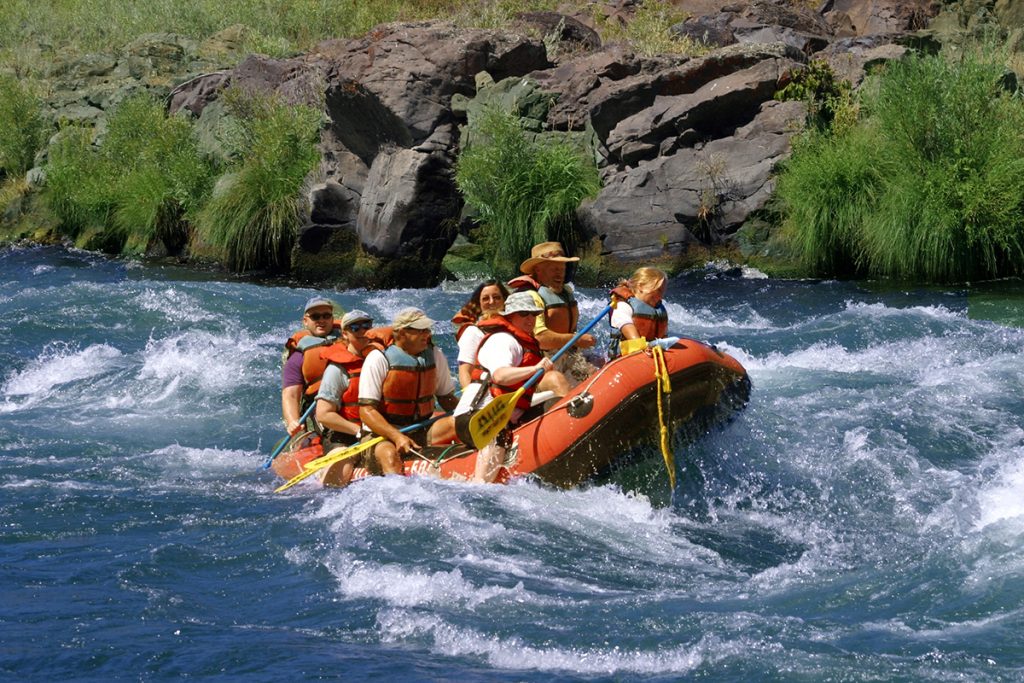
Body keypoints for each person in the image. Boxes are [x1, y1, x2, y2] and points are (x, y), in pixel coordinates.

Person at [454, 292, 555, 483]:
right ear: (510, 316)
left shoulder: (523, 343)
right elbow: (500, 375)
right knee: (496, 433)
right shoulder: (504, 341)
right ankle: (480, 485)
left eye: (533, 314)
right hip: (474, 418)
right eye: (524, 314)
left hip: (504, 415)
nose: (530, 319)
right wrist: (535, 368)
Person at [358, 307, 459, 475]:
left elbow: (446, 398)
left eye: (427, 329)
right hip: (382, 435)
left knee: (459, 424)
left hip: (422, 428)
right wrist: (397, 436)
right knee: (390, 456)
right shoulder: (378, 358)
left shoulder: (435, 354)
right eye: (420, 330)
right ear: (402, 333)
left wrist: (468, 418)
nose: (427, 334)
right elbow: (366, 411)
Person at [508, 241, 596, 386]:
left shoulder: (567, 292)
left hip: (570, 355)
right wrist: (576, 339)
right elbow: (541, 339)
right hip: (544, 362)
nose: (559, 273)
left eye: (562, 267)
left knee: (597, 368)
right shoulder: (532, 297)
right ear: (538, 270)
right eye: (553, 268)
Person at [312, 309, 381, 487]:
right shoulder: (337, 370)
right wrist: (358, 431)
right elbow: (324, 414)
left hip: (379, 429)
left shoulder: (380, 360)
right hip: (344, 436)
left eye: (366, 325)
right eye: (355, 327)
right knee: (342, 464)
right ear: (345, 333)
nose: (362, 331)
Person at [281, 296, 341, 435]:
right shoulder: (298, 356)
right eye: (315, 316)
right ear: (306, 321)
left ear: (332, 319)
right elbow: (290, 395)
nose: (321, 320)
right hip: (321, 407)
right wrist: (292, 423)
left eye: (326, 315)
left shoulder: (350, 339)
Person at [452, 280, 509, 389]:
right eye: (485, 298)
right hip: (485, 394)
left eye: (497, 297)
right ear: (479, 304)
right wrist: (470, 399)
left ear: (504, 300)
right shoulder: (473, 332)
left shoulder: (514, 328)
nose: (492, 302)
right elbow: (465, 372)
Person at [608, 267, 670, 359]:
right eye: (658, 290)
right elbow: (627, 328)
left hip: (652, 354)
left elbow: (664, 338)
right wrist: (643, 348)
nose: (661, 296)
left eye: (663, 292)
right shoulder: (623, 306)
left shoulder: (658, 310)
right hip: (626, 358)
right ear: (641, 286)